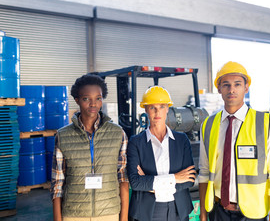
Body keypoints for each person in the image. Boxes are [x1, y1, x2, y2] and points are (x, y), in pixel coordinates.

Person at [198, 62, 270, 221]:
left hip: (252, 214)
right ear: (219, 89)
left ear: (246, 88)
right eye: (226, 85)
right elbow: (204, 172)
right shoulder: (208, 125)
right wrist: (203, 215)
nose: (231, 90)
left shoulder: (265, 124)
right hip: (217, 212)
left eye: (237, 84)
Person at [50, 74, 129, 221]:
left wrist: (123, 218)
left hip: (109, 212)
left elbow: (123, 178)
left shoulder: (118, 133)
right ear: (77, 100)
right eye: (86, 99)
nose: (93, 104)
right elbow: (57, 183)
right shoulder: (63, 136)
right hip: (74, 214)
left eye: (98, 98)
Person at [127, 86, 196, 221]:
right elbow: (135, 182)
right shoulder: (136, 142)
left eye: (162, 106)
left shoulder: (182, 140)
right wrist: (175, 178)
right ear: (145, 109)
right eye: (152, 107)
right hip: (148, 212)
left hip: (178, 209)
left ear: (168, 109)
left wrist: (151, 185)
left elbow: (189, 179)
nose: (157, 112)